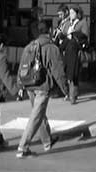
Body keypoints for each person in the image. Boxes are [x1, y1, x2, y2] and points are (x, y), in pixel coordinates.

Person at [16, 20, 68, 158]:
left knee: (39, 113)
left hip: (29, 85)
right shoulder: (52, 48)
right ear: (49, 31)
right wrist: (66, 90)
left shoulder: (29, 46)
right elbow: (58, 71)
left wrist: (20, 85)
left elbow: (21, 67)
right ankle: (23, 147)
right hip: (42, 87)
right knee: (36, 116)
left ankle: (47, 141)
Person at [63, 4, 89, 104]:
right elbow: (65, 34)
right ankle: (72, 93)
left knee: (73, 73)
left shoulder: (82, 22)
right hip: (68, 50)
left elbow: (85, 36)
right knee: (69, 72)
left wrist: (73, 34)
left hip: (76, 51)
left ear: (78, 13)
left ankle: (72, 95)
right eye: (70, 13)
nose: (71, 15)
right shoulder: (69, 23)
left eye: (73, 13)